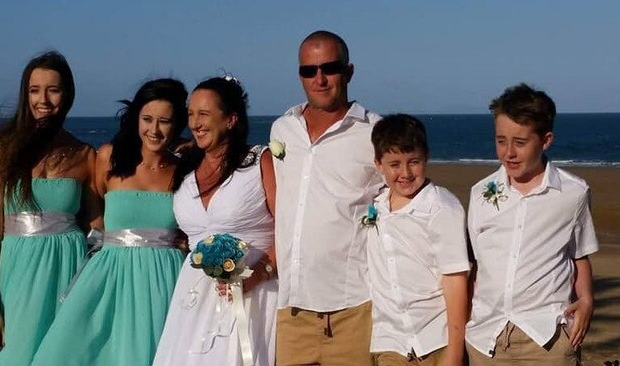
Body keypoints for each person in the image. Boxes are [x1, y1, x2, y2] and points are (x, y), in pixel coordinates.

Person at [31, 78, 188, 365]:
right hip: (112, 274)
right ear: (136, 118)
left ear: (176, 124)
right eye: (147, 119)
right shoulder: (108, 158)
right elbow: (92, 216)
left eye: (164, 121)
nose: (154, 130)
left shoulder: (184, 171)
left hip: (165, 279)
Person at [0, 51, 99, 365]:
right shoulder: (4, 150)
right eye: (34, 89)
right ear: (25, 94)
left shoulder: (85, 155)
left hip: (67, 274)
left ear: (66, 95)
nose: (43, 99)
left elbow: (99, 226)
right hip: (15, 274)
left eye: (53, 90)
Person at [270, 30, 383, 365]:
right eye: (309, 70)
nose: (319, 79)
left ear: (348, 71)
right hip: (291, 311)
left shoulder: (375, 132)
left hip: (353, 310)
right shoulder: (282, 130)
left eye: (329, 68)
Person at [466, 83, 598, 365]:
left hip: (546, 338)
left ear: (546, 140)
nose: (509, 152)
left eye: (520, 142)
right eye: (501, 141)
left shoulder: (573, 193)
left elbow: (579, 254)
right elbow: (477, 263)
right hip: (486, 337)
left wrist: (586, 300)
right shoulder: (480, 193)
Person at [153, 76, 278, 366]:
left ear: (231, 119)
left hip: (253, 294)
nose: (195, 123)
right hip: (194, 296)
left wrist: (260, 272)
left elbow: (288, 229)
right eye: (191, 114)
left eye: (204, 114)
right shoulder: (184, 166)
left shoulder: (261, 161)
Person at [367, 114, 470, 366]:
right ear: (379, 165)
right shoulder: (375, 206)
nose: (405, 173)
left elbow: (455, 280)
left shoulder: (441, 207)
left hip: (436, 340)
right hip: (390, 342)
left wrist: (454, 353)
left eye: (414, 162)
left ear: (426, 157)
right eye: (394, 164)